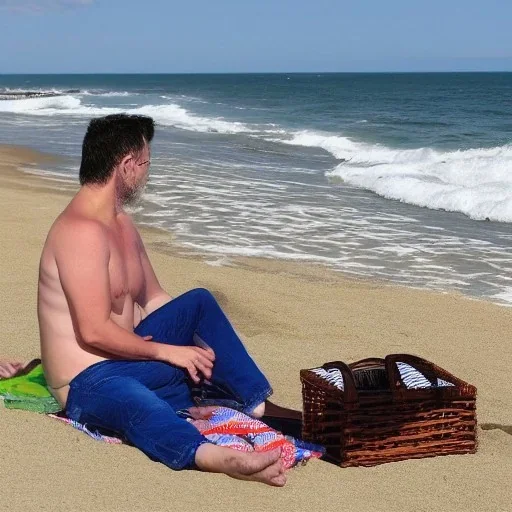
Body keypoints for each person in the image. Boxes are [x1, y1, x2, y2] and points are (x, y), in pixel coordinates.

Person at [37, 114, 287, 487]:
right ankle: (214, 456)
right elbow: (92, 332)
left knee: (198, 303)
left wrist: (190, 343)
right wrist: (168, 352)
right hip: (88, 379)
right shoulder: (80, 232)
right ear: (125, 166)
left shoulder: (122, 225)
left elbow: (155, 300)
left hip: (133, 356)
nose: (146, 173)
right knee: (138, 404)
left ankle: (258, 407)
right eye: (145, 163)